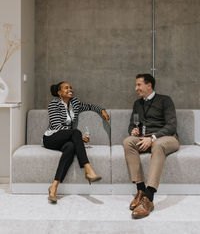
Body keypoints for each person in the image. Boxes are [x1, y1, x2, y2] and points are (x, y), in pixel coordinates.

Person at [123, 74, 180, 219]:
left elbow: (171, 126)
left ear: (149, 85)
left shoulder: (165, 100)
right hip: (145, 138)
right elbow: (132, 123)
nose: (136, 88)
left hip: (166, 138)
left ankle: (149, 198)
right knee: (128, 141)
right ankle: (140, 190)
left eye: (139, 85)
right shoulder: (137, 104)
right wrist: (133, 130)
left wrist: (153, 138)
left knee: (158, 144)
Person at [43, 81, 109, 204]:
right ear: (59, 93)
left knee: (71, 147)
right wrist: (76, 136)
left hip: (66, 139)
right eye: (66, 88)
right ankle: (88, 169)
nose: (70, 89)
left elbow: (89, 106)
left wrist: (102, 110)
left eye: (71, 87)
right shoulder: (54, 104)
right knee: (76, 133)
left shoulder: (75, 103)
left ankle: (54, 187)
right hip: (51, 138)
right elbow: (57, 126)